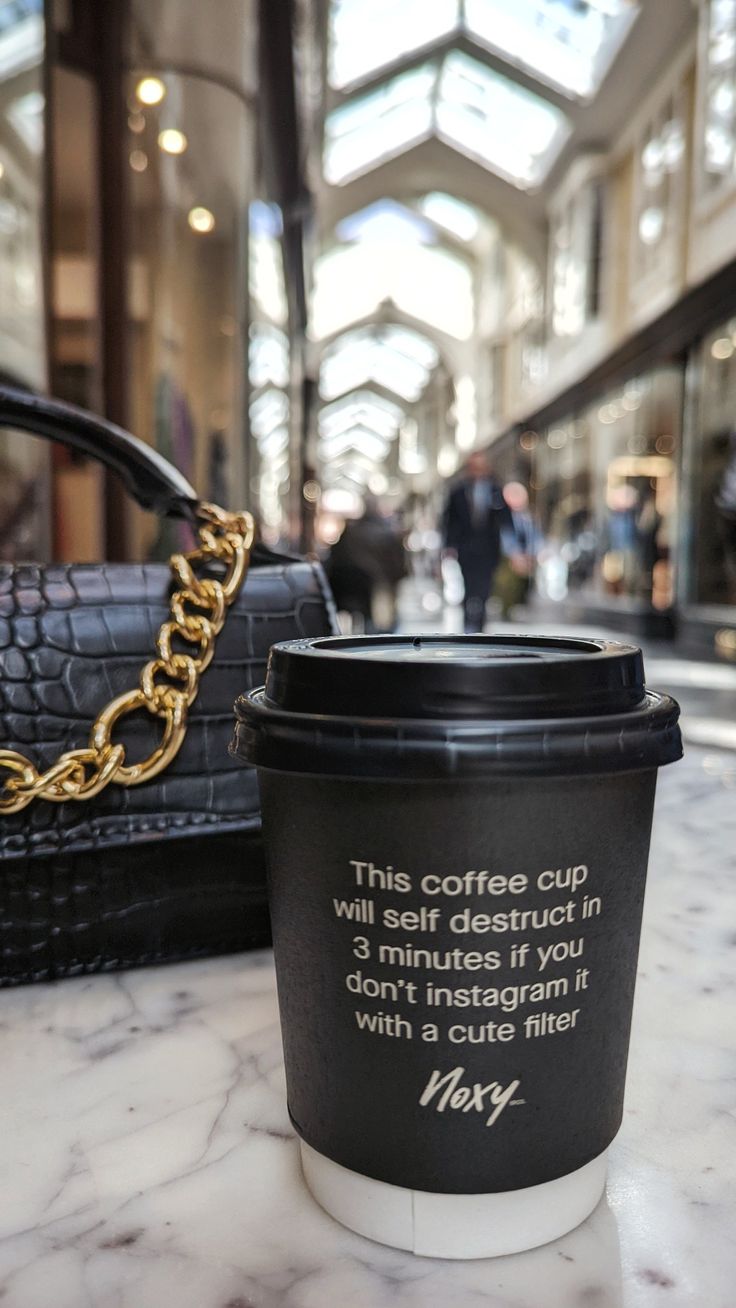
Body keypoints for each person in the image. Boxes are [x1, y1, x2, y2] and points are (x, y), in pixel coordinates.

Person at [442, 451, 514, 632]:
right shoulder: (457, 492)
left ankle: (480, 626)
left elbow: (506, 520)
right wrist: (449, 546)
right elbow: (449, 522)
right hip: (466, 550)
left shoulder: (496, 490)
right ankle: (467, 624)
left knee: (484, 589)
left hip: (489, 550)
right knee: (468, 587)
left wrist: (513, 548)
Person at [326, 497, 407, 633]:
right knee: (381, 625)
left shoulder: (350, 532)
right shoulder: (386, 535)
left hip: (352, 587)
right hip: (375, 587)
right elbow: (397, 565)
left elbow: (334, 558)